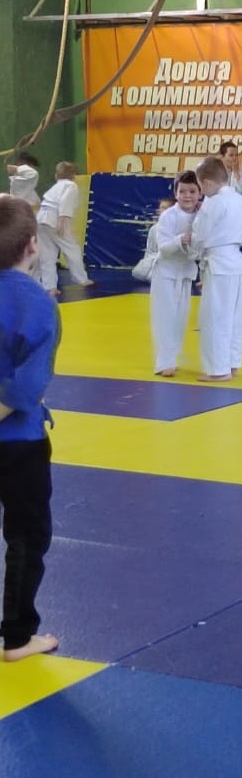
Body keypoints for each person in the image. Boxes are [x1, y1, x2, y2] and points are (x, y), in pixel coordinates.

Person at [0, 195, 61, 661]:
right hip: (18, 443)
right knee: (26, 534)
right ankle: (18, 636)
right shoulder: (38, 305)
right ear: (33, 246)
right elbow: (26, 389)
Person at [184, 157, 242, 382]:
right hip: (236, 262)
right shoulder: (238, 198)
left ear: (207, 183)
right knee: (234, 317)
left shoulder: (213, 202)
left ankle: (218, 370)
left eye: (200, 187)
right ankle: (232, 363)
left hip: (219, 263)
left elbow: (200, 235)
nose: (201, 192)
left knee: (214, 318)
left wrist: (192, 249)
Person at [151, 173, 201, 376]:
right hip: (166, 271)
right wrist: (181, 239)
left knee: (180, 317)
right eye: (182, 191)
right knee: (165, 316)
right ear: (175, 193)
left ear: (200, 193)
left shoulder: (202, 215)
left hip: (186, 272)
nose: (187, 196)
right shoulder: (168, 216)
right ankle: (164, 362)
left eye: (192, 191)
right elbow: (163, 248)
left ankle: (173, 356)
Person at [36, 161, 93, 296]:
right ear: (73, 175)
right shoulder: (71, 185)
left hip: (41, 219)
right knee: (72, 249)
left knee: (47, 254)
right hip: (56, 219)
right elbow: (65, 201)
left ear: (56, 175)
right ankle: (81, 279)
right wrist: (63, 219)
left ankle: (50, 287)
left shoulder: (55, 187)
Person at [133, 197, 175, 283]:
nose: (161, 211)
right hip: (155, 262)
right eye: (160, 208)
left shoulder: (180, 227)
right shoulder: (154, 229)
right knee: (140, 273)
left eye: (164, 208)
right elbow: (149, 251)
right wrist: (146, 265)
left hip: (173, 264)